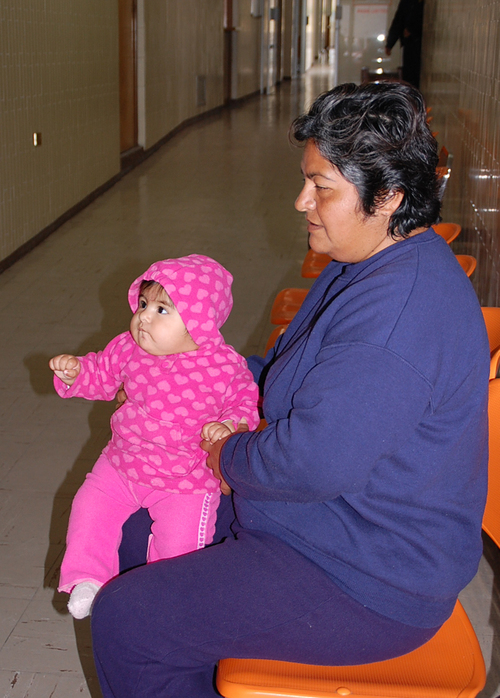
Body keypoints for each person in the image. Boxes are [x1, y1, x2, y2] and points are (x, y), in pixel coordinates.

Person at [90, 82, 489, 698]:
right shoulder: (366, 262)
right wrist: (184, 381)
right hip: (327, 523)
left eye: (321, 187)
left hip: (365, 577)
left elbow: (310, 462)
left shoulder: (397, 317)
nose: (302, 201)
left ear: (388, 197)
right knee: (134, 528)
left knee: (129, 619)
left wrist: (224, 454)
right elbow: (284, 372)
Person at [49, 254, 259, 619]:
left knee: (180, 545)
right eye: (143, 304)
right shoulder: (128, 349)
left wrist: (229, 425)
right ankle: (88, 579)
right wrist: (76, 373)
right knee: (89, 509)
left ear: (198, 321)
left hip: (186, 480)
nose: (144, 317)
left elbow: (244, 402)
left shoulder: (224, 367)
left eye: (162, 310)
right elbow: (101, 374)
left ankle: (166, 598)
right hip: (122, 464)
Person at [385, 0, 425, 88]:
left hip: (417, 43)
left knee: (414, 75)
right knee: (410, 75)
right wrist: (390, 43)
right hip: (410, 44)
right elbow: (398, 21)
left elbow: (399, 21)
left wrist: (412, 31)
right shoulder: (407, 2)